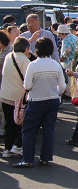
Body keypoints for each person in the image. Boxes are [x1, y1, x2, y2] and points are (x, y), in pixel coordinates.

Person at [13, 38, 66, 168]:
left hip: (36, 100)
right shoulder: (56, 65)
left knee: (29, 130)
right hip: (53, 100)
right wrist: (55, 91)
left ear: (36, 49)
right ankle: (45, 158)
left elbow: (28, 85)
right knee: (48, 130)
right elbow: (63, 86)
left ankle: (28, 159)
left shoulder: (33, 65)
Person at [0, 37, 30, 158]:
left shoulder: (8, 56)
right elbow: (28, 80)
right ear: (26, 48)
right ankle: (17, 146)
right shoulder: (24, 60)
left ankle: (7, 148)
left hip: (5, 94)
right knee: (19, 123)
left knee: (8, 123)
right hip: (18, 97)